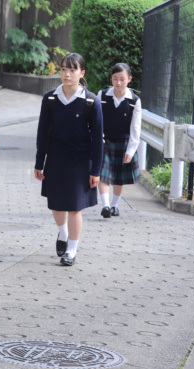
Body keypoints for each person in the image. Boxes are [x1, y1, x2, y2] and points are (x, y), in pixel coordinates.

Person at [34, 53, 103, 266]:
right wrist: (39, 162)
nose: (67, 74)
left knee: (74, 207)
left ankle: (71, 250)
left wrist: (96, 170)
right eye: (64, 69)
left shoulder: (91, 101)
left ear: (81, 73)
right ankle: (62, 233)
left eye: (72, 70)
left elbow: (99, 140)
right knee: (56, 205)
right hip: (55, 159)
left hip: (81, 161)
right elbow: (42, 132)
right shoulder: (50, 99)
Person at [97, 63, 142, 218]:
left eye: (122, 79)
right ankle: (106, 206)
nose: (118, 83)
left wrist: (131, 150)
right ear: (111, 78)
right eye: (115, 79)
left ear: (129, 79)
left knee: (118, 177)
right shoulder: (102, 96)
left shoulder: (134, 101)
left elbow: (136, 129)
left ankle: (115, 205)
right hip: (104, 142)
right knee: (103, 175)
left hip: (123, 143)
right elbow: (96, 120)